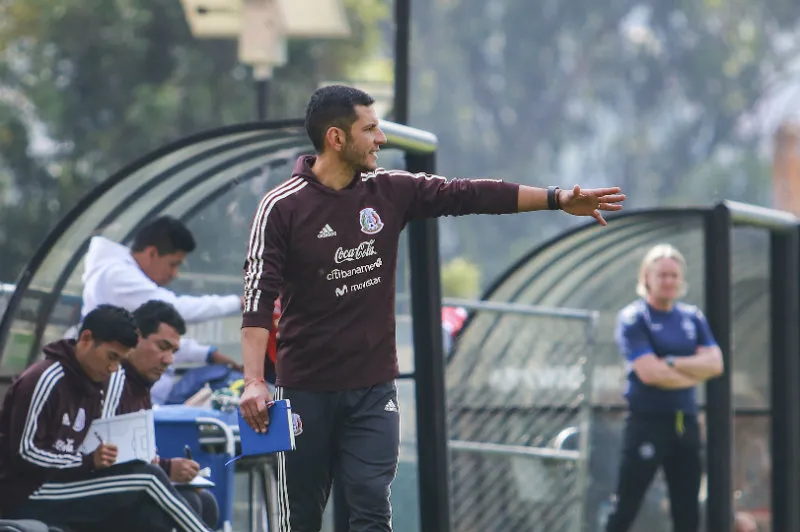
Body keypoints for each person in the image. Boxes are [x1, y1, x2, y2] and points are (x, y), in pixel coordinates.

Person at [236, 84, 626, 532]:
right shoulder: (281, 207)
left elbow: (470, 194)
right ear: (336, 139)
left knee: (370, 506)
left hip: (372, 390)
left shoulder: (389, 191)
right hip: (305, 390)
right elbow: (257, 300)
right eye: (370, 129)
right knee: (301, 518)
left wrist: (557, 198)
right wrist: (253, 381)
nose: (380, 139)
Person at [0, 305, 212, 532]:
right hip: (28, 492)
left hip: (67, 483)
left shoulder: (94, 383)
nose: (113, 368)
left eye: (120, 361)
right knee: (148, 479)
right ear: (86, 338)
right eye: (111, 357)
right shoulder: (45, 378)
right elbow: (25, 452)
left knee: (173, 504)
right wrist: (87, 461)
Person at [604, 244, 724, 532]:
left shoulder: (691, 317)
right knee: (625, 507)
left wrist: (670, 361)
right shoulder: (635, 317)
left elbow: (716, 363)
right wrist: (693, 372)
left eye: (674, 275)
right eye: (662, 275)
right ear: (647, 277)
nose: (669, 281)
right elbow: (648, 372)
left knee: (687, 512)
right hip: (647, 424)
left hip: (685, 424)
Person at [79, 215, 243, 404]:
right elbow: (178, 310)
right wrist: (238, 302)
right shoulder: (117, 276)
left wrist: (209, 354)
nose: (174, 274)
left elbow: (158, 336)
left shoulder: (119, 275)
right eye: (173, 264)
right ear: (151, 253)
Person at [102, 300, 220, 529]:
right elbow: (112, 460)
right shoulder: (113, 381)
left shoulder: (141, 387)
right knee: (187, 502)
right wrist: (167, 470)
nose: (169, 360)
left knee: (206, 501)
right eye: (162, 347)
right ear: (135, 338)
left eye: (173, 351)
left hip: (132, 484)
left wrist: (170, 467)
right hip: (103, 494)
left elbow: (139, 455)